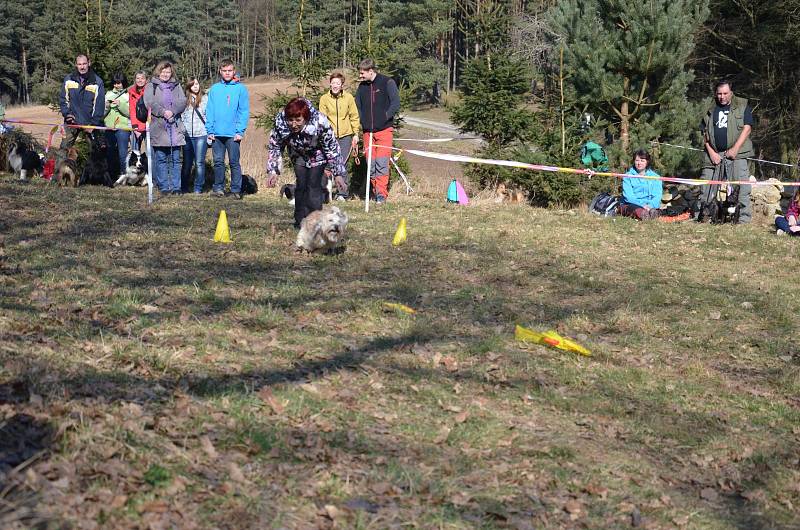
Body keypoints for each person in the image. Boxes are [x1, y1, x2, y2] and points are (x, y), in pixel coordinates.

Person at [266, 98, 347, 228]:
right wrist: (273, 171)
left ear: (306, 118)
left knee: (314, 185)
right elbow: (275, 146)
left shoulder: (320, 122)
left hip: (318, 154)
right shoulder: (280, 122)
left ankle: (315, 222)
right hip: (297, 154)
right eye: (290, 120)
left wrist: (338, 174)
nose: (293, 124)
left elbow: (332, 148)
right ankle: (300, 221)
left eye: (298, 120)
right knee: (301, 184)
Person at [699, 79, 754, 223]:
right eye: (719, 94)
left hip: (737, 153)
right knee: (707, 186)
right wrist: (711, 152)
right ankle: (705, 216)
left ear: (731, 92)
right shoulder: (709, 107)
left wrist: (735, 149)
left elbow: (747, 128)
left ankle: (742, 220)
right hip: (714, 153)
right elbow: (704, 133)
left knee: (740, 188)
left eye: (725, 93)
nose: (722, 97)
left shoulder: (742, 105)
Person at [355, 58, 400, 204]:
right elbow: (358, 106)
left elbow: (395, 103)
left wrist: (385, 117)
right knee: (371, 164)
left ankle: (381, 194)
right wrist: (363, 121)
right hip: (368, 132)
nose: (360, 76)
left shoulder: (387, 83)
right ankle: (374, 191)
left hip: (384, 130)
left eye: (362, 73)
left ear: (371, 71)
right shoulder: (362, 87)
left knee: (381, 163)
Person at [206, 58, 250, 199]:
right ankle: (218, 188)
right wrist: (210, 130)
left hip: (233, 134)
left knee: (234, 162)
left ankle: (235, 190)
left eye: (229, 70)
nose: (227, 73)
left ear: (234, 71)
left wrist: (240, 131)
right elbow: (210, 110)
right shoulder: (214, 89)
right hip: (216, 134)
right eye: (224, 71)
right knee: (218, 162)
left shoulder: (240, 89)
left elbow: (243, 111)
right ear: (220, 71)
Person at [143, 60, 187, 195]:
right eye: (163, 71)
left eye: (168, 72)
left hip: (175, 127)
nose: (166, 74)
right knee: (161, 159)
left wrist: (172, 111)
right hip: (159, 127)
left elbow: (182, 101)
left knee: (175, 159)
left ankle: (176, 187)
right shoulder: (151, 86)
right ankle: (164, 187)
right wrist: (163, 112)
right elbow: (149, 102)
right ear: (159, 72)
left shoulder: (177, 85)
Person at [318, 72, 360, 200]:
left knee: (342, 164)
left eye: (338, 83)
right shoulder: (324, 99)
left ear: (342, 85)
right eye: (333, 83)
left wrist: (355, 134)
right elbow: (322, 118)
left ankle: (342, 193)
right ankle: (325, 192)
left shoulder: (348, 98)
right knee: (327, 165)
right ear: (330, 84)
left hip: (345, 135)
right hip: (329, 137)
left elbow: (354, 116)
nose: (335, 85)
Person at [58, 54, 105, 148]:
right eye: (79, 64)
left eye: (84, 64)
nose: (82, 67)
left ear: (89, 63)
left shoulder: (97, 82)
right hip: (72, 122)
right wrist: (67, 114)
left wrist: (93, 124)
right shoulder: (68, 80)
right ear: (76, 65)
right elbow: (63, 100)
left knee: (96, 152)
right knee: (63, 150)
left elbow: (99, 105)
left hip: (89, 124)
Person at [181, 77, 208, 194]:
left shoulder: (205, 99)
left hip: (201, 134)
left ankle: (198, 188)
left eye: (197, 84)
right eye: (193, 84)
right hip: (187, 135)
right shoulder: (184, 100)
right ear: (188, 87)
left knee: (199, 162)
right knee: (187, 162)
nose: (196, 86)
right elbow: (181, 117)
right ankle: (184, 187)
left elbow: (209, 116)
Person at [619, 149, 663, 220]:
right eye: (637, 160)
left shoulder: (655, 177)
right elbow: (629, 197)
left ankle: (652, 213)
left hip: (649, 205)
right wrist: (643, 205)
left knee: (655, 209)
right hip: (632, 204)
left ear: (647, 162)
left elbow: (657, 196)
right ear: (634, 161)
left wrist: (650, 205)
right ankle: (645, 215)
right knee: (635, 210)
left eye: (642, 160)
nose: (639, 163)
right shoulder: (627, 176)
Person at [104, 72, 131, 179]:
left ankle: (124, 174)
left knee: (122, 153)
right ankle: (111, 175)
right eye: (115, 83)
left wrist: (121, 105)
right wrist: (106, 107)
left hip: (123, 127)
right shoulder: (108, 94)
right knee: (110, 152)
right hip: (109, 127)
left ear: (123, 83)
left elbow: (130, 113)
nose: (116, 85)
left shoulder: (127, 95)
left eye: (119, 83)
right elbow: (102, 113)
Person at [128, 71, 148, 150]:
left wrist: (144, 127)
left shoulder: (149, 91)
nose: (140, 80)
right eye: (138, 78)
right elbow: (132, 110)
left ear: (146, 80)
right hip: (136, 126)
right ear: (135, 80)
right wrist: (135, 127)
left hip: (148, 125)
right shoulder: (131, 92)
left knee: (149, 152)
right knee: (134, 151)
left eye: (142, 78)